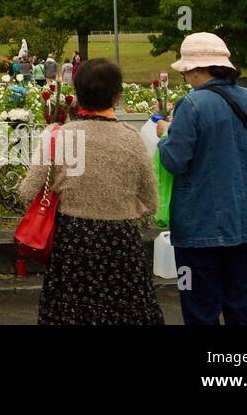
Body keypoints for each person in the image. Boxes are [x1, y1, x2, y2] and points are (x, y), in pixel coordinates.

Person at [18, 58, 162, 325]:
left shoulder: (60, 136)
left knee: (72, 312)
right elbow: (151, 201)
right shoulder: (131, 138)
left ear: (77, 93)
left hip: (73, 240)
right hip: (120, 241)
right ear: (117, 96)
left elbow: (28, 192)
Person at [157, 32, 247, 325]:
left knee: (199, 308)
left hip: (200, 222)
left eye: (186, 71)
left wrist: (165, 136)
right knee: (241, 305)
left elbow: (175, 160)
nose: (185, 77)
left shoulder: (192, 104)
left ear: (198, 70)